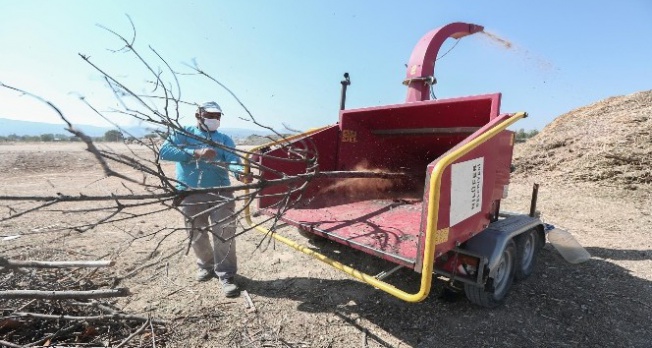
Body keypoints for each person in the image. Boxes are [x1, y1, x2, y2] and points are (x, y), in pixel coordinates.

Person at [160, 101, 252, 298]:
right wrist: (195, 153)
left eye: (218, 116)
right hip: (189, 192)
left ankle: (226, 275)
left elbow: (233, 161)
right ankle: (206, 265)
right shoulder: (183, 133)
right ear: (198, 115)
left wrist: (240, 174)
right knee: (196, 233)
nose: (214, 120)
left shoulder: (224, 140)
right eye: (210, 115)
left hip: (221, 192)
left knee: (225, 232)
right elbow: (164, 152)